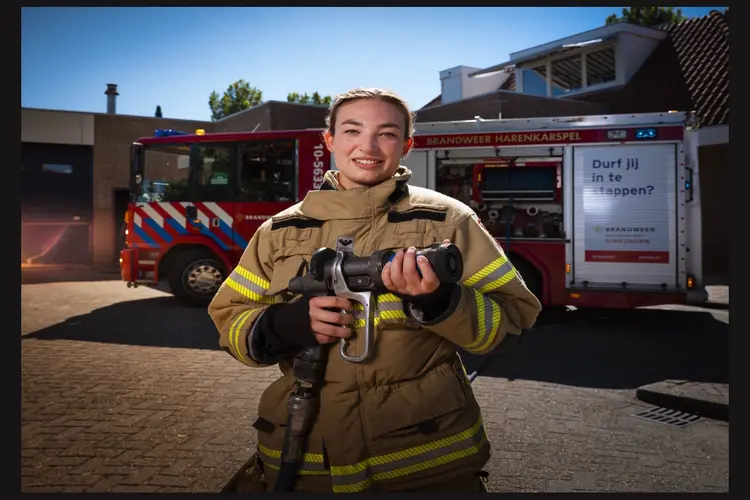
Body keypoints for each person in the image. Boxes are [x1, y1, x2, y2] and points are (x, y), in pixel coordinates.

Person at [207, 88, 542, 493]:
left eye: (386, 133)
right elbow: (230, 321)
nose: (367, 146)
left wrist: (440, 303)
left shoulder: (447, 221)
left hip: (425, 466)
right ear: (329, 140)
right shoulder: (279, 231)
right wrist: (283, 326)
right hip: (306, 466)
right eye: (352, 131)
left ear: (406, 145)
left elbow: (511, 321)